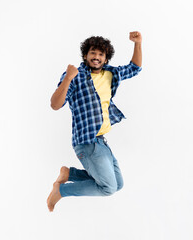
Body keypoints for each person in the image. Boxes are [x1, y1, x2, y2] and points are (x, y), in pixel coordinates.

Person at [47, 31, 142, 212]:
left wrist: (138, 43)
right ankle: (61, 190)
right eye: (93, 53)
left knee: (118, 184)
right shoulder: (76, 76)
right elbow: (55, 104)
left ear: (106, 59)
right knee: (108, 187)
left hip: (101, 142)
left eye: (100, 54)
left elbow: (135, 68)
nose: (96, 57)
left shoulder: (110, 74)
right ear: (85, 55)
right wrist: (67, 78)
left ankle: (69, 174)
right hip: (87, 142)